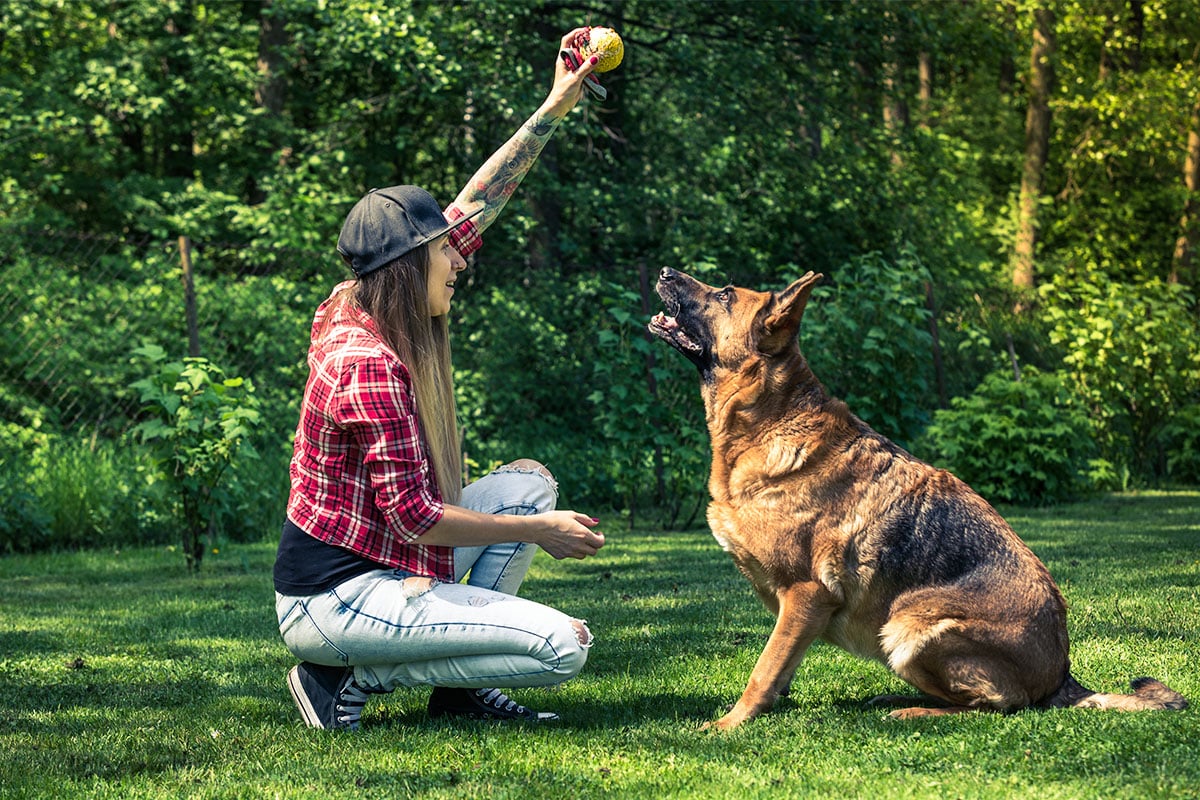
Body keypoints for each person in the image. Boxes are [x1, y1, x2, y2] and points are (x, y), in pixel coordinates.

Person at [274, 29, 607, 730]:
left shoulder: (361, 295)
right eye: (443, 255)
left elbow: (481, 199)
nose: (459, 263)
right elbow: (418, 519)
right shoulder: (367, 366)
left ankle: (458, 694)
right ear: (407, 266)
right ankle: (340, 677)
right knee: (562, 645)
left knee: (526, 487)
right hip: (337, 597)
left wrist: (556, 103)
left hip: (385, 568)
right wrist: (543, 533)